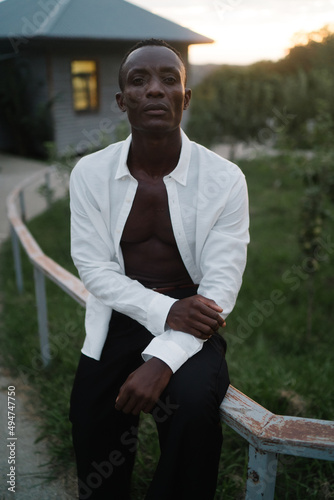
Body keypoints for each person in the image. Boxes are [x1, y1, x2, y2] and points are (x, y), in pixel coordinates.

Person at [69, 38, 249, 500]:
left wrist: (164, 358)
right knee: (92, 418)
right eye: (139, 81)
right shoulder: (90, 174)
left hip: (196, 320)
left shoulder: (225, 179)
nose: (154, 90)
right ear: (121, 100)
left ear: (184, 98)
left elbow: (222, 282)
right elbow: (93, 266)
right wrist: (165, 310)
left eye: (169, 80)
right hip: (120, 317)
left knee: (191, 411)